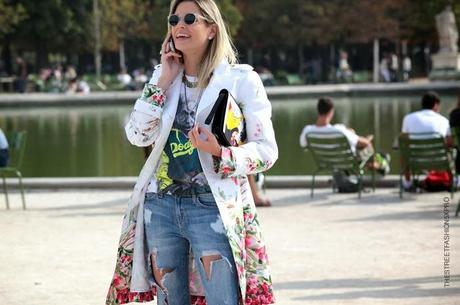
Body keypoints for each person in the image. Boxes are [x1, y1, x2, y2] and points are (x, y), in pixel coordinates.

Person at [105, 1, 278, 305]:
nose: (179, 25)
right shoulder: (162, 77)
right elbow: (136, 135)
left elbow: (267, 152)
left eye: (189, 19)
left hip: (212, 207)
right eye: (174, 19)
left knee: (224, 300)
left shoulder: (241, 79)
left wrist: (221, 153)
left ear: (211, 29)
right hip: (160, 207)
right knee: (169, 300)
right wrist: (162, 82)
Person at [299, 97, 390, 177]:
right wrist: (365, 138)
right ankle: (379, 164)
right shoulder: (339, 130)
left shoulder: (307, 131)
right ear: (331, 111)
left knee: (354, 143)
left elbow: (303, 145)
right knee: (367, 145)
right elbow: (365, 143)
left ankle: (376, 164)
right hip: (346, 161)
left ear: (318, 110)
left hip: (324, 162)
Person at [401, 91, 451, 190]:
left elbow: (404, 141)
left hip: (414, 160)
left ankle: (407, 182)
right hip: (439, 161)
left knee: (404, 150)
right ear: (436, 105)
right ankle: (454, 180)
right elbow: (450, 143)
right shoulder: (444, 121)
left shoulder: (408, 118)